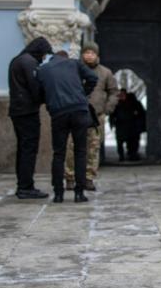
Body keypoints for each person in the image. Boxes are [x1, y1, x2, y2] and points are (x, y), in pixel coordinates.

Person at [37, 51, 98, 203]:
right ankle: (79, 193)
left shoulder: (43, 69)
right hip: (79, 110)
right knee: (80, 152)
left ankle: (58, 194)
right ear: (66, 57)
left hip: (58, 113)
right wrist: (83, 94)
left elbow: (39, 91)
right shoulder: (74, 63)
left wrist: (51, 100)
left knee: (59, 153)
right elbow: (93, 77)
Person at [65, 42, 118, 191]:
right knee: (71, 146)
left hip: (96, 117)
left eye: (92, 53)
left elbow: (114, 92)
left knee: (93, 148)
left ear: (97, 55)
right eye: (86, 52)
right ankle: (70, 177)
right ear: (82, 54)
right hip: (75, 114)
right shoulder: (74, 70)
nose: (89, 55)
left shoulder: (105, 72)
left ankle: (89, 177)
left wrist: (108, 108)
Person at [7, 37, 53, 199]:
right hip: (27, 111)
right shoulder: (29, 62)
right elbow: (35, 87)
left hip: (17, 110)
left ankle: (23, 184)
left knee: (23, 149)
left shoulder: (17, 60)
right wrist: (45, 98)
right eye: (44, 54)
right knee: (29, 150)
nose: (44, 58)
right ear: (39, 51)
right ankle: (26, 187)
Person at [110, 89, 146, 161]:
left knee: (132, 143)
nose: (121, 96)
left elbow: (142, 114)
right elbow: (112, 114)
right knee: (120, 142)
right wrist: (112, 123)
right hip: (121, 126)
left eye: (123, 95)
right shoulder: (117, 104)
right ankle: (122, 156)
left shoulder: (134, 103)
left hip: (132, 127)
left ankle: (132, 155)